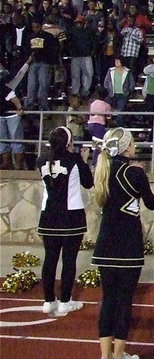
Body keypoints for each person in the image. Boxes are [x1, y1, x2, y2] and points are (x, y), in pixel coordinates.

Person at [91, 127, 154, 359]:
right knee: (124, 300)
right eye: (132, 143)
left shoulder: (103, 171)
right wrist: (142, 177)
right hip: (128, 245)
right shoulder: (134, 172)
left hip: (105, 243)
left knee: (108, 299)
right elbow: (151, 203)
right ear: (127, 147)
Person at [37, 127, 93, 316]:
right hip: (71, 216)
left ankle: (48, 301)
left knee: (50, 259)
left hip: (48, 216)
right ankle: (65, 301)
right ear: (69, 143)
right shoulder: (75, 160)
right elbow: (88, 183)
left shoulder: (40, 159)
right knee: (69, 260)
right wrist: (84, 160)